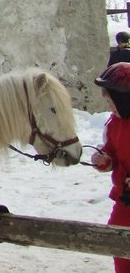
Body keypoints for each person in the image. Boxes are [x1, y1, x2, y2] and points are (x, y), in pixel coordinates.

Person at [91, 61, 130, 273]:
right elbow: (112, 151)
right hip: (125, 200)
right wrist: (105, 159)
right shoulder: (114, 123)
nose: (109, 105)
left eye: (111, 100)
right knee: (117, 242)